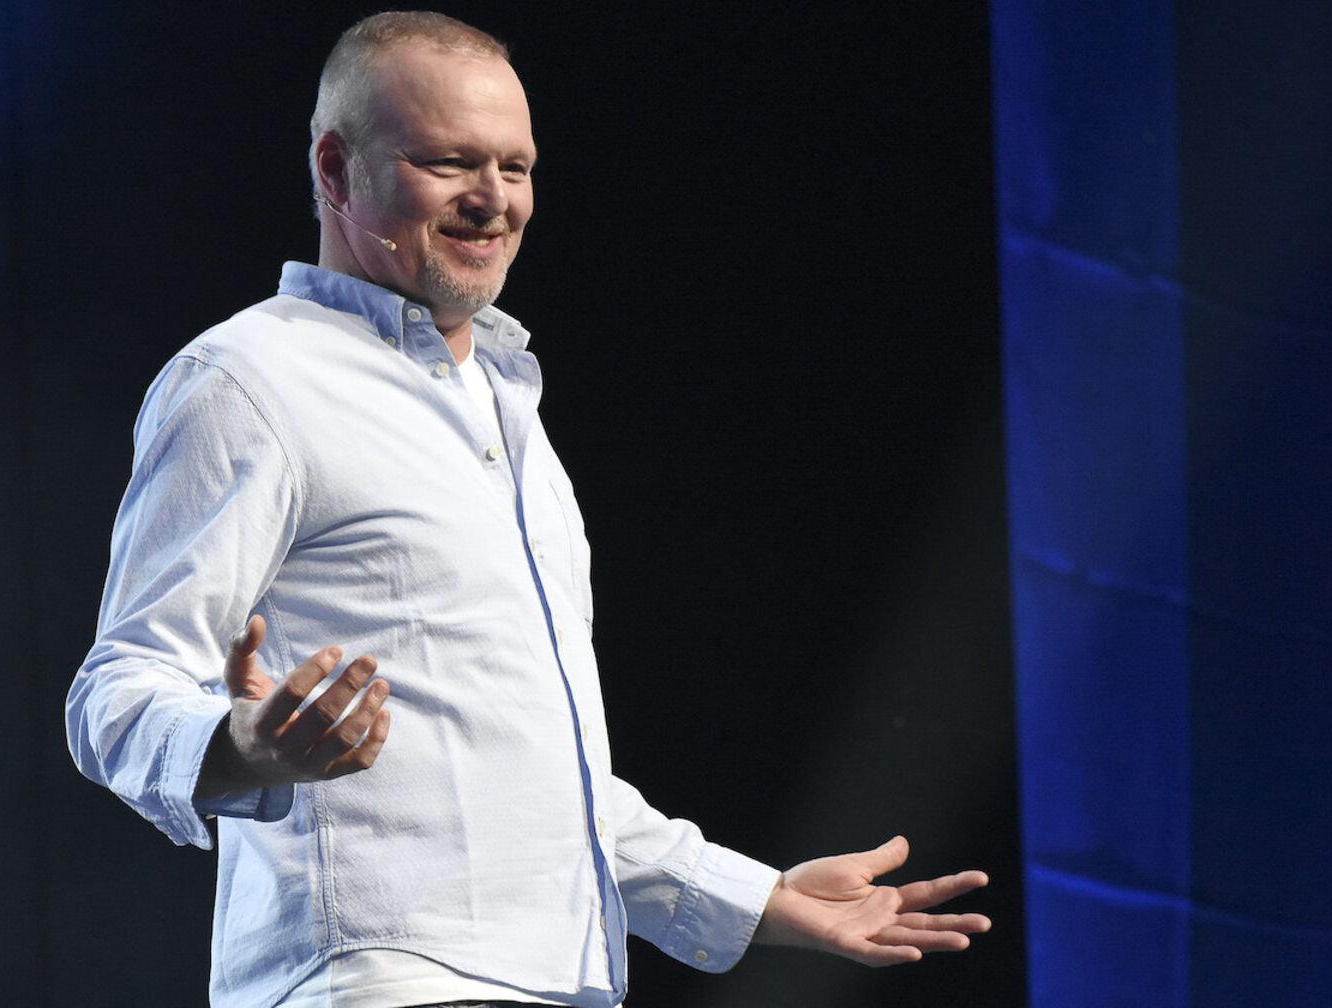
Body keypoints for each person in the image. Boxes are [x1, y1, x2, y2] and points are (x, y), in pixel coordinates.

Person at [66, 11, 990, 1007]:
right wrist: (241, 748)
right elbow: (117, 691)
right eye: (451, 162)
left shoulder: (513, 421)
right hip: (384, 980)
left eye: (517, 167)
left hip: (557, 981)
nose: (493, 200)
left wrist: (760, 899)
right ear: (334, 171)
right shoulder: (251, 379)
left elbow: (547, 788)